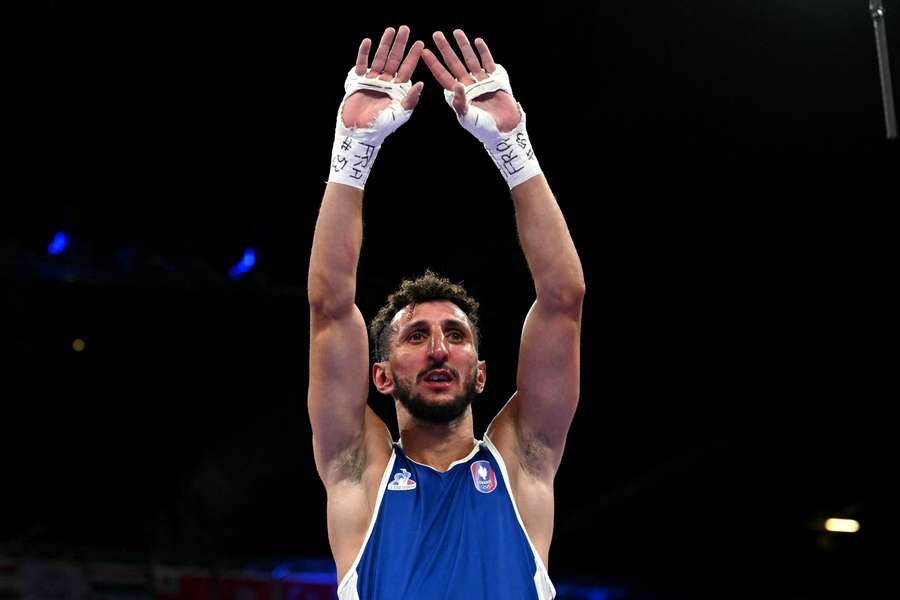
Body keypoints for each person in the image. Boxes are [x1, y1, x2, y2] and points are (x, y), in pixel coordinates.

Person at [308, 25, 585, 600]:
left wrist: (514, 148)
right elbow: (330, 309)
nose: (438, 347)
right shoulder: (358, 472)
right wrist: (352, 152)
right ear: (380, 375)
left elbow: (563, 300)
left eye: (455, 334)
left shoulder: (523, 466)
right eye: (415, 337)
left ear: (481, 372)